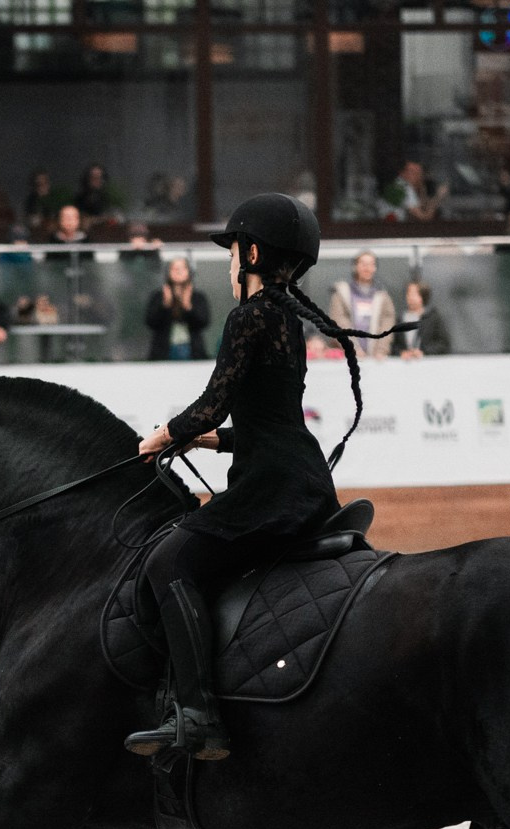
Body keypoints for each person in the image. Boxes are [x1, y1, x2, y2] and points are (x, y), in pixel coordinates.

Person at [123, 192, 413, 762]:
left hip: (267, 493)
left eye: (232, 251)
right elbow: (268, 418)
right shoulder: (285, 320)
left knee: (167, 563)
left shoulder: (248, 317)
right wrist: (213, 441)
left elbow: (213, 403)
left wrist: (162, 435)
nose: (230, 263)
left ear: (251, 252)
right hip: (303, 480)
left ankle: (197, 713)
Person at [328, 251, 397, 358]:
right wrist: (353, 348)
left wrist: (381, 350)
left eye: (371, 264)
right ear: (355, 266)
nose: (367, 268)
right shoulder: (342, 293)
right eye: (363, 264)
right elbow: (338, 321)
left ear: (375, 268)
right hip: (348, 357)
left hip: (377, 358)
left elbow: (387, 324)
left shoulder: (383, 296)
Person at [145, 256, 211, 360]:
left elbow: (204, 322)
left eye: (182, 268)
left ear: (189, 271)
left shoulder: (197, 296)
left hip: (192, 350)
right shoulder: (159, 296)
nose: (178, 271)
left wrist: (188, 307)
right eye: (174, 268)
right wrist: (165, 305)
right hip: (164, 351)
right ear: (168, 272)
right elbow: (150, 322)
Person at [380, 161, 446, 223]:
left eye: (419, 173)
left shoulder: (398, 183)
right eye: (413, 172)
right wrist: (439, 197)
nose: (418, 176)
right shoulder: (405, 188)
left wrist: (422, 189)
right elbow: (424, 218)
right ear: (403, 173)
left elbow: (422, 206)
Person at [72, 163, 121, 229]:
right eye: (93, 177)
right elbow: (80, 218)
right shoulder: (79, 198)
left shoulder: (108, 198)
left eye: (99, 177)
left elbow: (115, 217)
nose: (96, 180)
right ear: (87, 179)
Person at [21, 170, 58, 239]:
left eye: (44, 183)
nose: (41, 186)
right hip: (36, 236)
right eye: (38, 184)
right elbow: (30, 220)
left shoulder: (56, 198)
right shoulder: (31, 200)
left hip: (55, 236)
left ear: (48, 183)